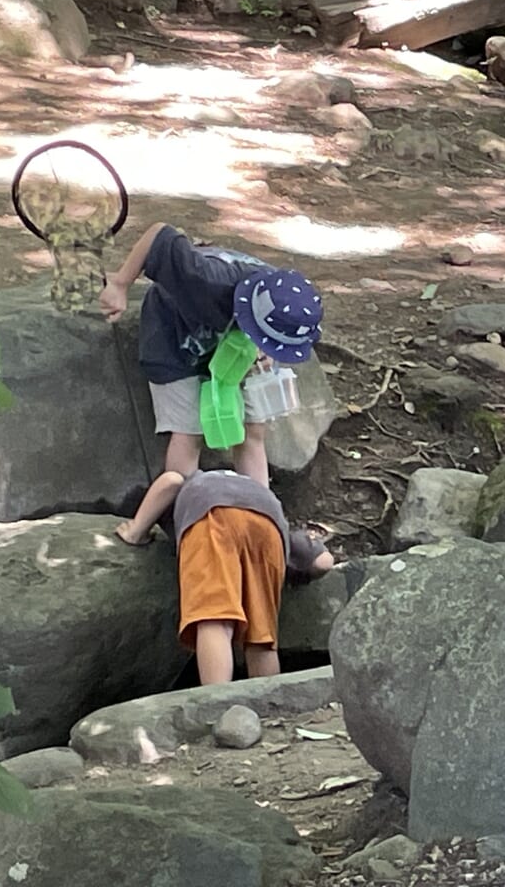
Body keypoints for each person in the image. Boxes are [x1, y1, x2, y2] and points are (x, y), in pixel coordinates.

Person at [98, 222, 323, 487]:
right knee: (190, 430)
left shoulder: (283, 302)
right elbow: (160, 233)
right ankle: (184, 507)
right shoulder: (206, 278)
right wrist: (121, 284)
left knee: (253, 427)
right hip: (174, 338)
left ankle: (259, 508)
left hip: (235, 344)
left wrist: (265, 350)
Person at [116, 468, 334, 685]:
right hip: (269, 524)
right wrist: (296, 576)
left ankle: (216, 703)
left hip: (212, 511)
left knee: (215, 617)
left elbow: (170, 481)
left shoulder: (195, 480)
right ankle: (270, 710)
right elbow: (324, 562)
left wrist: (136, 530)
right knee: (262, 637)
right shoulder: (270, 508)